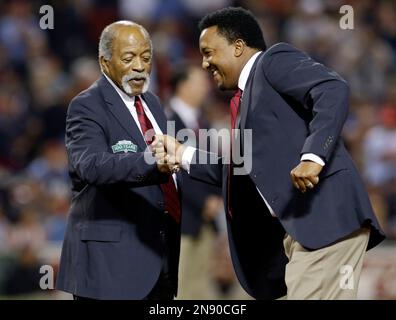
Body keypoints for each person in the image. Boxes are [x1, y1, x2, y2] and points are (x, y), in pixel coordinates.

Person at [153, 7, 385, 300]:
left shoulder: (271, 61)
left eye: (209, 52)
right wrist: (184, 154)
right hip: (300, 232)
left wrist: (313, 157)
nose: (204, 63)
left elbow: (331, 88)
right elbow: (237, 171)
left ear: (238, 46)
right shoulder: (245, 100)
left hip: (324, 220)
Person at [56, 21, 182, 300]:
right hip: (110, 265)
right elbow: (90, 166)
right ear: (105, 62)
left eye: (146, 58)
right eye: (128, 58)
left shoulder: (153, 104)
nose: (140, 66)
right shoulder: (86, 105)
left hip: (157, 258)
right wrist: (151, 162)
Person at [167, 63, 223, 299]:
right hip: (180, 218)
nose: (205, 87)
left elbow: (215, 166)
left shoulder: (204, 122)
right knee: (179, 285)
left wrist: (217, 198)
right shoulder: (165, 120)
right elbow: (172, 170)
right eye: (199, 82)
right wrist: (204, 201)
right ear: (182, 86)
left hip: (205, 220)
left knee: (200, 287)